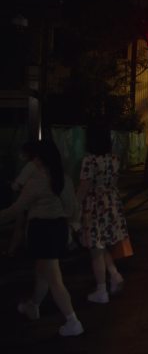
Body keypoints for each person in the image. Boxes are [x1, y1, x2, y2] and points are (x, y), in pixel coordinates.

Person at [1, 140, 84, 336]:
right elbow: (72, 209)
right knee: (43, 272)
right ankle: (33, 305)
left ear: (38, 159)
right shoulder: (64, 178)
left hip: (42, 231)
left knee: (54, 279)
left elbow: (16, 210)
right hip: (58, 229)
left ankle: (72, 321)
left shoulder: (37, 181)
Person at [77, 124, 128, 304]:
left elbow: (84, 186)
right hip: (111, 203)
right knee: (102, 244)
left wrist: (76, 207)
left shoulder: (89, 160)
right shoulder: (114, 159)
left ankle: (101, 290)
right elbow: (114, 181)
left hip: (94, 206)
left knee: (95, 250)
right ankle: (114, 275)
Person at [4, 141, 40, 257]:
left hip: (29, 202)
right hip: (38, 203)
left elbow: (18, 184)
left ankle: (11, 251)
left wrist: (12, 185)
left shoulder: (31, 166)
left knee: (19, 226)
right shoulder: (44, 165)